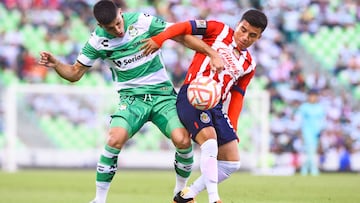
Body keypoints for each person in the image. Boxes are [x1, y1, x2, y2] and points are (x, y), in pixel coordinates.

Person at [38, 1, 224, 203]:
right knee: (114, 139)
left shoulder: (142, 22)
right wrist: (56, 64)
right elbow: (75, 74)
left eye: (118, 23)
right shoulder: (97, 41)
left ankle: (179, 193)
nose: (117, 30)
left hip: (162, 95)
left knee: (183, 140)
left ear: (121, 12)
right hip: (132, 99)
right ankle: (99, 199)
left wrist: (212, 53)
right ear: (100, 26)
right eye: (111, 28)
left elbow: (179, 35)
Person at [142, 9, 268, 203]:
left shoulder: (249, 64)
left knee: (231, 163)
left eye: (252, 35)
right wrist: (160, 39)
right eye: (243, 30)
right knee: (209, 142)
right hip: (192, 96)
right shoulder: (218, 30)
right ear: (238, 24)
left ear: (259, 38)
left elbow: (237, 96)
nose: (245, 37)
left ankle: (186, 195)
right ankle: (214, 198)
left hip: (215, 106)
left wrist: (232, 125)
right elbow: (184, 27)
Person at [296, 89, 326, 176]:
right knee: (310, 150)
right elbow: (300, 120)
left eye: (314, 96)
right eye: (311, 95)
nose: (313, 97)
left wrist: (321, 130)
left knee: (312, 151)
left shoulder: (320, 107)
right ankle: (313, 169)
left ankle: (304, 169)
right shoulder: (304, 107)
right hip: (307, 131)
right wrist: (300, 132)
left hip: (316, 132)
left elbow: (322, 121)